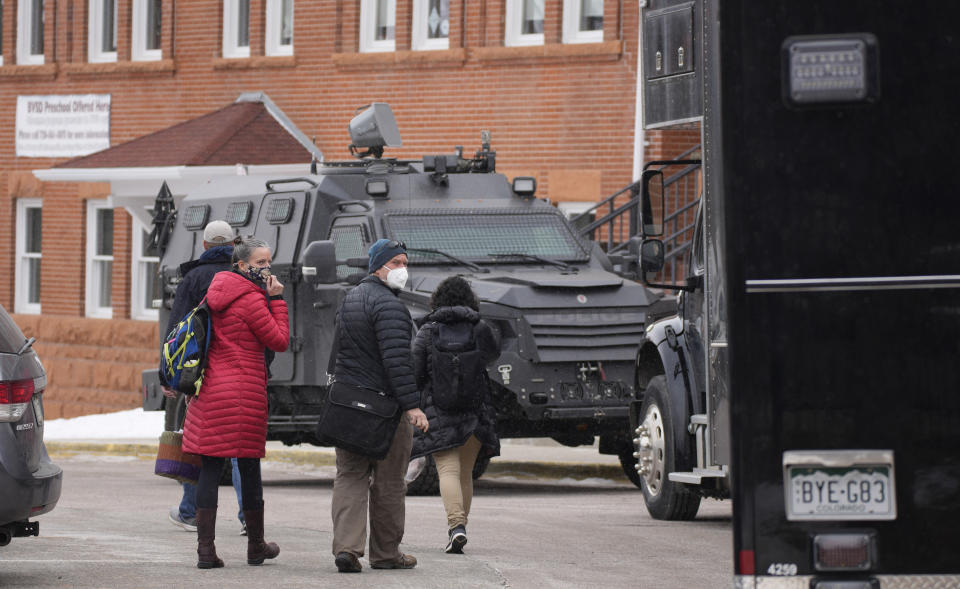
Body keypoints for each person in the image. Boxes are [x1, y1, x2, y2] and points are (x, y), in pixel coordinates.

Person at [181, 235, 289, 569]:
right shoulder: (251, 299)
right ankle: (255, 545)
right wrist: (278, 300)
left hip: (211, 390)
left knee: (210, 469)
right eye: (260, 263)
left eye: (268, 262)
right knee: (248, 467)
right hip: (242, 393)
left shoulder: (215, 293)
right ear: (241, 265)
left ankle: (205, 551)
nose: (266, 268)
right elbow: (279, 340)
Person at [329, 238, 429, 574]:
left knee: (350, 475)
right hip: (385, 409)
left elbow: (338, 354)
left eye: (404, 262)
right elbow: (397, 362)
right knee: (388, 481)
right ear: (379, 266)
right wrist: (412, 406)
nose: (403, 269)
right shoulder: (391, 307)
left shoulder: (350, 299)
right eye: (397, 263)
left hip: (348, 406)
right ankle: (386, 553)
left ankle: (347, 548)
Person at [162, 220, 247, 536]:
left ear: (204, 245)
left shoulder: (194, 278)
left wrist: (169, 376)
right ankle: (247, 518)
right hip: (240, 374)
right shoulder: (243, 276)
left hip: (201, 376)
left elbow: (177, 332)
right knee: (241, 452)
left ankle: (190, 512)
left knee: (198, 445)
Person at [410, 276, 500, 554]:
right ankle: (460, 528)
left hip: (439, 410)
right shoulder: (480, 327)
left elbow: (415, 369)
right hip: (474, 409)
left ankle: (456, 526)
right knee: (465, 474)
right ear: (469, 299)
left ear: (438, 299)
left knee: (447, 469)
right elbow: (492, 356)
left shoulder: (427, 330)